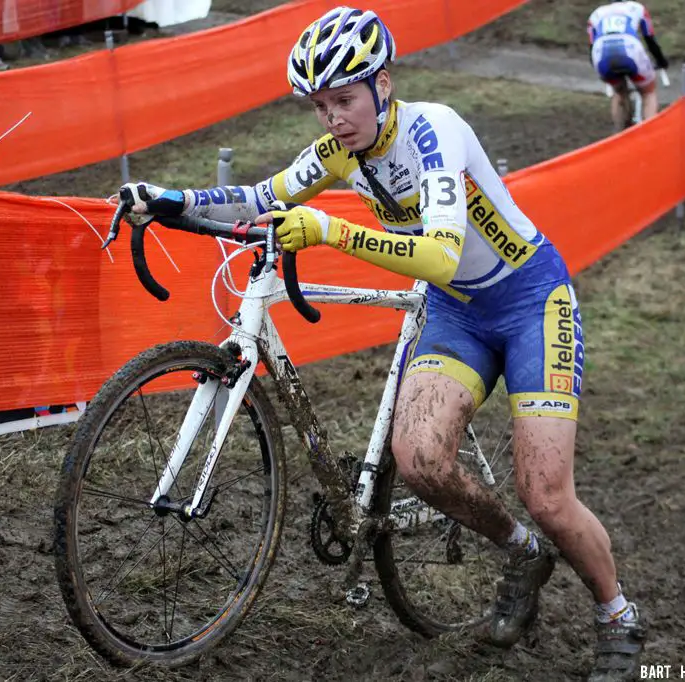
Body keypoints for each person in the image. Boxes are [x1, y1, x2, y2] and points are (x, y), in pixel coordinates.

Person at [120, 6, 644, 680]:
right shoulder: (339, 154)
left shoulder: (434, 131)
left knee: (546, 495)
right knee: (419, 459)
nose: (333, 118)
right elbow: (257, 196)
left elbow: (441, 257)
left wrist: (332, 233)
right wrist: (166, 198)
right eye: (319, 106)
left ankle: (618, 616)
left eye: (343, 99)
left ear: (383, 84)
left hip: (529, 302)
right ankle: (521, 554)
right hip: (459, 314)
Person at [587, 0, 669, 130]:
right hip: (630, 49)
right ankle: (651, 134)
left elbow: (591, 48)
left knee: (619, 92)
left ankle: (619, 135)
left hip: (601, 53)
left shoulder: (595, 14)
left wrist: (602, 75)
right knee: (648, 92)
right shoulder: (637, 8)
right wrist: (661, 61)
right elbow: (649, 38)